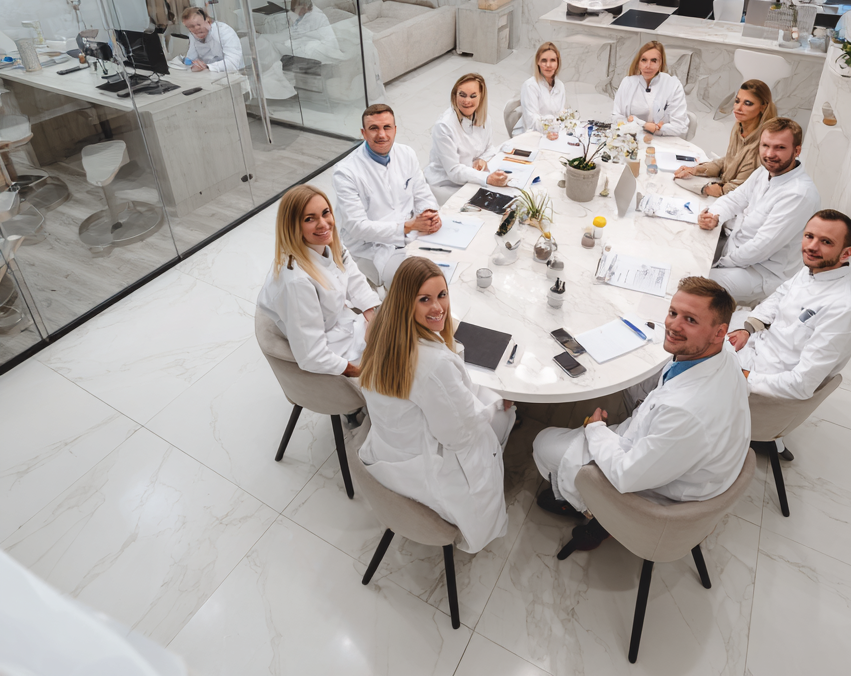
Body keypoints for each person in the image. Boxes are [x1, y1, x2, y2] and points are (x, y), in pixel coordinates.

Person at [532, 276, 750, 552]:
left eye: (690, 320)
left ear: (719, 332)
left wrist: (596, 429)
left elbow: (627, 474)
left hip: (657, 493)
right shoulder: (725, 351)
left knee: (544, 442)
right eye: (673, 313)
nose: (673, 326)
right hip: (691, 461)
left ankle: (591, 510)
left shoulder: (685, 413)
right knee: (637, 389)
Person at [358, 257, 516, 554]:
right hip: (428, 474)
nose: (438, 308)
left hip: (390, 449)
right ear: (406, 302)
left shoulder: (381, 330)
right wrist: (494, 402)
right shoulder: (433, 364)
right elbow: (460, 435)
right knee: (506, 416)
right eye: (425, 299)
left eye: (442, 295)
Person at [728, 209, 851, 400]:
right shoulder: (816, 268)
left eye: (826, 242)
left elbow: (801, 385)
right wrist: (749, 328)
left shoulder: (845, 309)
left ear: (846, 253)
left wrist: (736, 375)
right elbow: (781, 295)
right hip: (756, 348)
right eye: (809, 236)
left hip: (765, 380)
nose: (812, 246)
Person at [256, 184, 380, 378]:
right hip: (333, 348)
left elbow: (355, 280)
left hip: (345, 324)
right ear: (292, 226)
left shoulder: (327, 244)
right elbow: (311, 355)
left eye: (325, 213)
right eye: (309, 219)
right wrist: (361, 372)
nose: (323, 224)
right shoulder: (297, 282)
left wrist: (373, 321)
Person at [699, 118, 821, 303]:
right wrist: (714, 216)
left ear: (796, 150)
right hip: (735, 253)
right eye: (765, 145)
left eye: (780, 148)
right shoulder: (765, 171)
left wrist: (721, 263)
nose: (769, 154)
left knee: (695, 287)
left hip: (761, 273)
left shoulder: (799, 195)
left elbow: (761, 247)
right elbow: (735, 198)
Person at [333, 103, 441, 287]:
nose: (382, 135)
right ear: (363, 132)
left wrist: (429, 213)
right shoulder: (345, 172)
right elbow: (358, 227)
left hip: (412, 232)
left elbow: (422, 193)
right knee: (413, 285)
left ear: (395, 129)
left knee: (446, 270)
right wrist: (407, 226)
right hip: (371, 246)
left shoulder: (406, 153)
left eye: (386, 127)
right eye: (373, 128)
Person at [674, 79, 777, 198]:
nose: (738, 108)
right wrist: (696, 170)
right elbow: (728, 161)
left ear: (763, 107)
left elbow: (741, 189)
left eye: (748, 103)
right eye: (737, 101)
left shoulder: (764, 145)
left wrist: (705, 188)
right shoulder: (739, 128)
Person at [424, 73, 508, 205]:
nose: (466, 101)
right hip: (447, 186)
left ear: (481, 97)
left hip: (472, 177)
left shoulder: (484, 118)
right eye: (462, 95)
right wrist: (486, 178)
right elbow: (454, 172)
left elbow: (489, 148)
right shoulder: (444, 127)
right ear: (454, 95)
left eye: (473, 96)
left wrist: (482, 160)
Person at [611, 40, 689, 137]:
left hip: (663, 141)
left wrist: (640, 124)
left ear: (660, 63)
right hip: (631, 139)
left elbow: (680, 128)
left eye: (654, 61)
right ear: (638, 62)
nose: (648, 66)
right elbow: (616, 118)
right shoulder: (628, 82)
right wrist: (648, 126)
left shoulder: (673, 85)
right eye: (644, 60)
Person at [516, 41, 566, 138]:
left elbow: (561, 115)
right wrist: (550, 128)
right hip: (531, 136)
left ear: (557, 63)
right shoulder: (530, 86)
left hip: (554, 134)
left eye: (552, 60)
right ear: (538, 62)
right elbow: (531, 120)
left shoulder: (560, 86)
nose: (548, 65)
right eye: (544, 60)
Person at [181, 6, 244, 73]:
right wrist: (191, 63)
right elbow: (191, 57)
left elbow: (233, 63)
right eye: (191, 27)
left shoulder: (223, 31)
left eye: (199, 24)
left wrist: (207, 66)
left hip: (233, 74)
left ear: (208, 21)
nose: (196, 29)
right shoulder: (193, 35)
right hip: (208, 74)